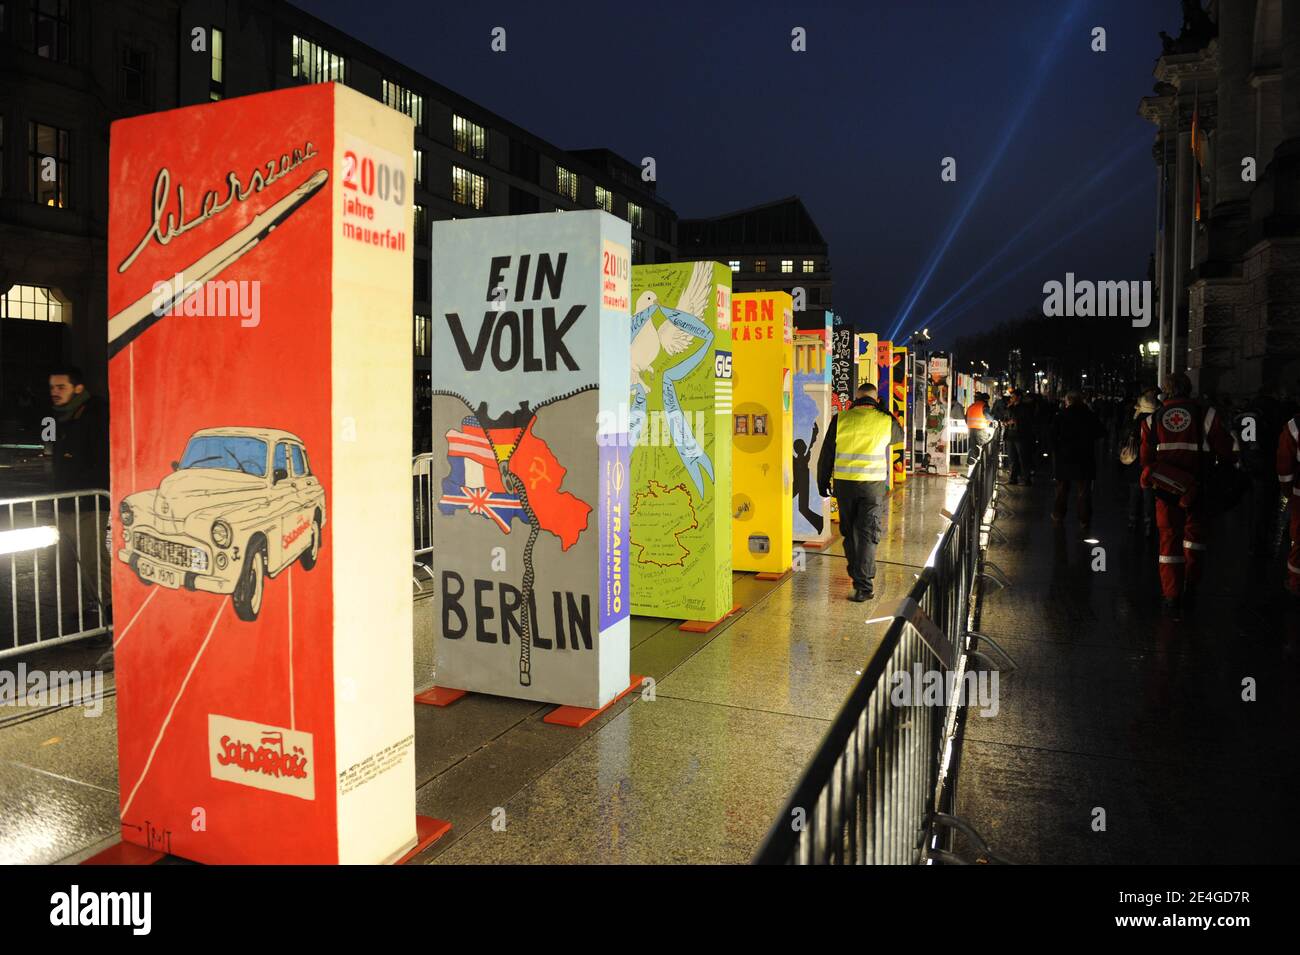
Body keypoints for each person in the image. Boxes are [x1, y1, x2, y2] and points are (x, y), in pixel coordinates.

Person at [1140, 372, 1236, 616]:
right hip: (1198, 488)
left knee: (1169, 541)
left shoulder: (1152, 421)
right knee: (1194, 540)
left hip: (1166, 491)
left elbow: (1145, 460)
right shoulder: (1207, 415)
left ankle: (1172, 595)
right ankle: (1191, 586)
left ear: (1166, 390)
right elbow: (1227, 450)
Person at [818, 383, 903, 602]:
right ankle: (863, 585)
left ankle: (858, 576)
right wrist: (884, 410)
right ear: (875, 399)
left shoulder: (841, 419)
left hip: (845, 486)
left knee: (850, 533)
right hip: (872, 487)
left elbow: (826, 453)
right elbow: (899, 435)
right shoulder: (885, 421)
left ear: (856, 398)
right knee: (867, 534)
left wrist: (822, 481)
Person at [48, 366, 111, 621]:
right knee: (62, 563)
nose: (54, 392)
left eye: (61, 387)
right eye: (52, 387)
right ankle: (74, 615)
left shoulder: (96, 412)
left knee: (93, 561)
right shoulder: (56, 416)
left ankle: (109, 614)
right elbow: (53, 453)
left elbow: (98, 457)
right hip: (62, 503)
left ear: (78, 388)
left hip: (88, 503)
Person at [1048, 391, 1106, 529]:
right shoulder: (1089, 415)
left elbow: (1052, 437)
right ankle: (1084, 519)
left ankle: (1058, 514)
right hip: (1085, 457)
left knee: (1062, 489)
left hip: (1065, 458)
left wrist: (1057, 450)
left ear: (1068, 401)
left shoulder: (1061, 415)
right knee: (1083, 491)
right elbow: (1101, 432)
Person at [1122, 390, 1159, 535]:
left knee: (1134, 491)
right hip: (1150, 461)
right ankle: (1148, 522)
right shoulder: (1156, 420)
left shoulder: (1135, 419)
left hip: (1135, 461)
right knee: (1148, 492)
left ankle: (1132, 519)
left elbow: (1125, 437)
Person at [1004, 389, 1036, 485]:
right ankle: (1013, 478)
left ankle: (1026, 479)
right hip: (1010, 435)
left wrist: (1013, 421)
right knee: (1012, 458)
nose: (1011, 398)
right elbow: (1006, 417)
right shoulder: (1010, 407)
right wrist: (1006, 421)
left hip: (1021, 436)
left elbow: (1024, 420)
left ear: (1019, 397)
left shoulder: (1024, 408)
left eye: (1013, 397)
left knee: (1023, 458)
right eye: (1011, 397)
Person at [965, 391, 993, 465]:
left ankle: (971, 463)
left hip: (971, 429)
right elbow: (988, 417)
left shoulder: (971, 406)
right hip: (981, 429)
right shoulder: (984, 406)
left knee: (973, 446)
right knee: (984, 446)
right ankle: (985, 463)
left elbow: (966, 418)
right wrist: (993, 420)